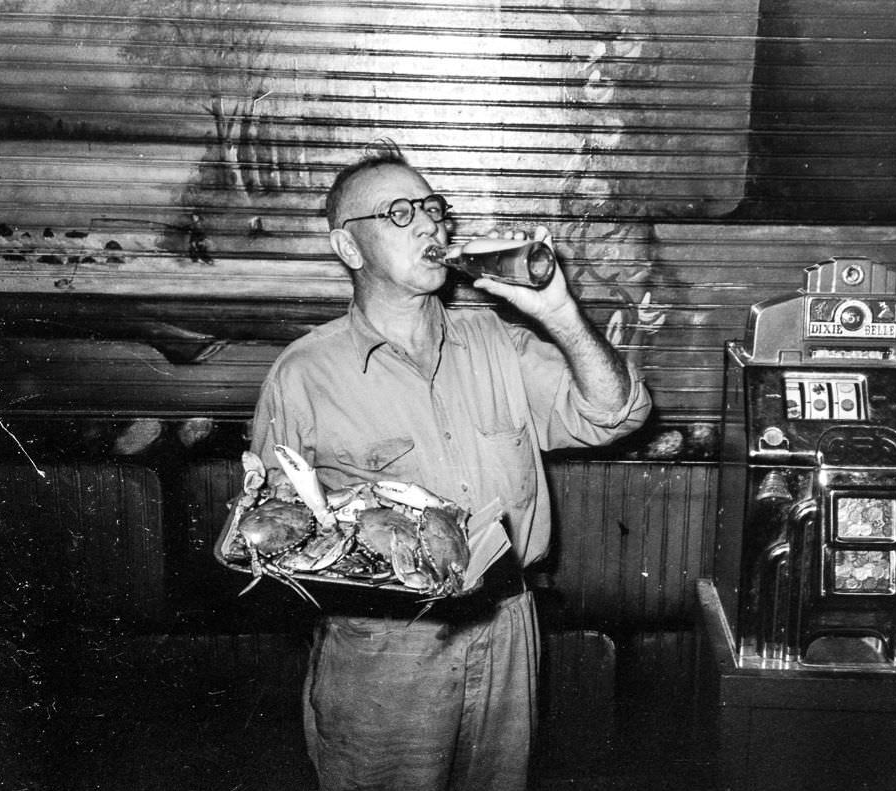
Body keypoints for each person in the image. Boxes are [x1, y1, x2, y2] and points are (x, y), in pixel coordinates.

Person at [247, 142, 651, 791]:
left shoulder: (499, 341)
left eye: (433, 208)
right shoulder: (303, 374)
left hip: (509, 630)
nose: (431, 224)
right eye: (400, 212)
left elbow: (617, 413)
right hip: (384, 655)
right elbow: (269, 528)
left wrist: (559, 314)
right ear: (348, 247)